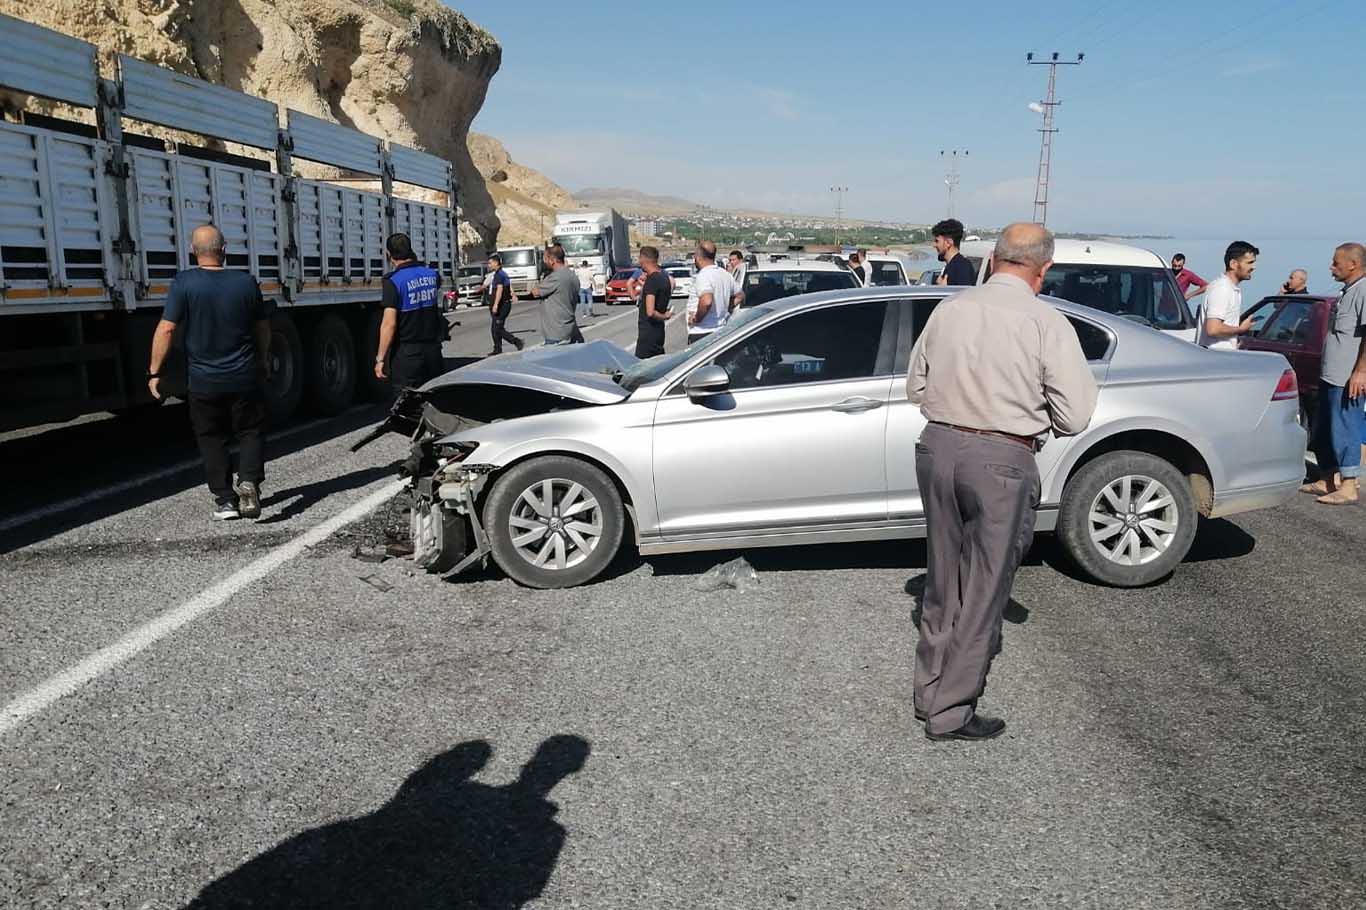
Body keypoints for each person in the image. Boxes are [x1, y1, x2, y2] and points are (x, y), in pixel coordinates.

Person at [907, 223, 1098, 741]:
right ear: (1045, 268)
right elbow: (1076, 414)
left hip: (938, 445)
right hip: (1002, 456)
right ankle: (951, 711)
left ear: (993, 258)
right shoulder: (1046, 322)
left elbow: (915, 385)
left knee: (943, 576)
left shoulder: (951, 308)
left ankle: (929, 693)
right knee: (986, 588)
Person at [147, 225, 273, 521]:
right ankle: (249, 481)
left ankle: (226, 500)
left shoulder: (184, 283)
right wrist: (263, 359)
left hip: (204, 381)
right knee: (251, 430)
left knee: (212, 437)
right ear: (224, 250)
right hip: (243, 375)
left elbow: (167, 328)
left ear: (193, 251)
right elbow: (262, 327)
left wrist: (155, 372)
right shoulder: (246, 282)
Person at [1302, 243, 1366, 505]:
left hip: (1347, 377)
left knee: (1345, 426)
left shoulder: (1363, 290)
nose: (1331, 267)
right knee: (1325, 427)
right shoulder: (1346, 291)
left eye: (1336, 263)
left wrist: (1361, 371)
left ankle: (1349, 484)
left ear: (1353, 264)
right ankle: (1328, 478)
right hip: (1331, 374)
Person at [375, 233, 445, 398]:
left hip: (408, 354)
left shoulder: (393, 281)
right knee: (435, 401)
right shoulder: (432, 275)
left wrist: (380, 359)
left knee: (407, 407)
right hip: (433, 351)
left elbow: (389, 324)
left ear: (389, 255)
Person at [1196, 241, 1258, 350]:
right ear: (1233, 264)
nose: (1254, 267)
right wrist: (1241, 329)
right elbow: (1213, 329)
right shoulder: (1222, 288)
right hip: (1215, 359)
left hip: (1221, 357)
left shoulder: (1229, 288)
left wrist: (1233, 342)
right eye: (1249, 262)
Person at [523, 244, 583, 345]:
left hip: (556, 333)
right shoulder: (572, 275)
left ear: (552, 260)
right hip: (570, 329)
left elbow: (535, 292)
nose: (544, 262)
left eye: (545, 259)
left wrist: (544, 275)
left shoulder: (555, 277)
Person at [687, 240, 741, 345]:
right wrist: (727, 308)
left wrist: (696, 318)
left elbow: (707, 301)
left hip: (702, 333)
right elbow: (740, 295)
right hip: (720, 330)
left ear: (698, 257)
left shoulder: (704, 275)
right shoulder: (725, 274)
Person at [634, 246, 672, 359]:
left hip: (648, 334)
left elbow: (650, 312)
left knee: (642, 368)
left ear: (643, 259)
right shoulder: (664, 278)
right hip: (659, 332)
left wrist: (664, 316)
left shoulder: (652, 280)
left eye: (639, 258)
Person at [485, 254, 524, 355]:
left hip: (502, 306)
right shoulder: (499, 274)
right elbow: (508, 286)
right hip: (499, 304)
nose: (488, 265)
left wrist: (496, 305)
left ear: (496, 263)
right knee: (494, 328)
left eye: (490, 263)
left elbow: (500, 290)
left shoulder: (500, 275)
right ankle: (497, 348)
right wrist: (513, 293)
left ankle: (516, 341)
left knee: (497, 328)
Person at [932, 218, 976, 286]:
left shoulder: (962, 267)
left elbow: (964, 295)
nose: (934, 245)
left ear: (948, 243)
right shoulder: (952, 266)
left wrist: (944, 290)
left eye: (937, 241)